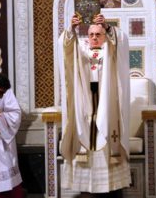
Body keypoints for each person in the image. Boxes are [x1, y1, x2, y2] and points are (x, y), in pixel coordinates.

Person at [57, 14, 131, 196]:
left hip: (107, 105)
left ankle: (109, 187)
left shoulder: (110, 50)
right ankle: (86, 189)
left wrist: (107, 26)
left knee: (107, 131)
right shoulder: (81, 51)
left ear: (105, 35)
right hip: (85, 104)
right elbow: (66, 48)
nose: (95, 38)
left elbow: (120, 40)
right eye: (91, 34)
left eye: (98, 34)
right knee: (84, 130)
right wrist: (72, 30)